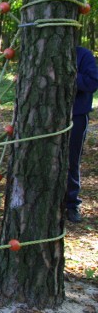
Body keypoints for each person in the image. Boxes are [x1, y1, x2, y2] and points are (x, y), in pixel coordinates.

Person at [66, 45, 98, 223]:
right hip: (49, 117)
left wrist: (70, 76)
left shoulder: (83, 55)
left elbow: (93, 82)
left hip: (76, 115)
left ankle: (71, 203)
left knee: (72, 159)